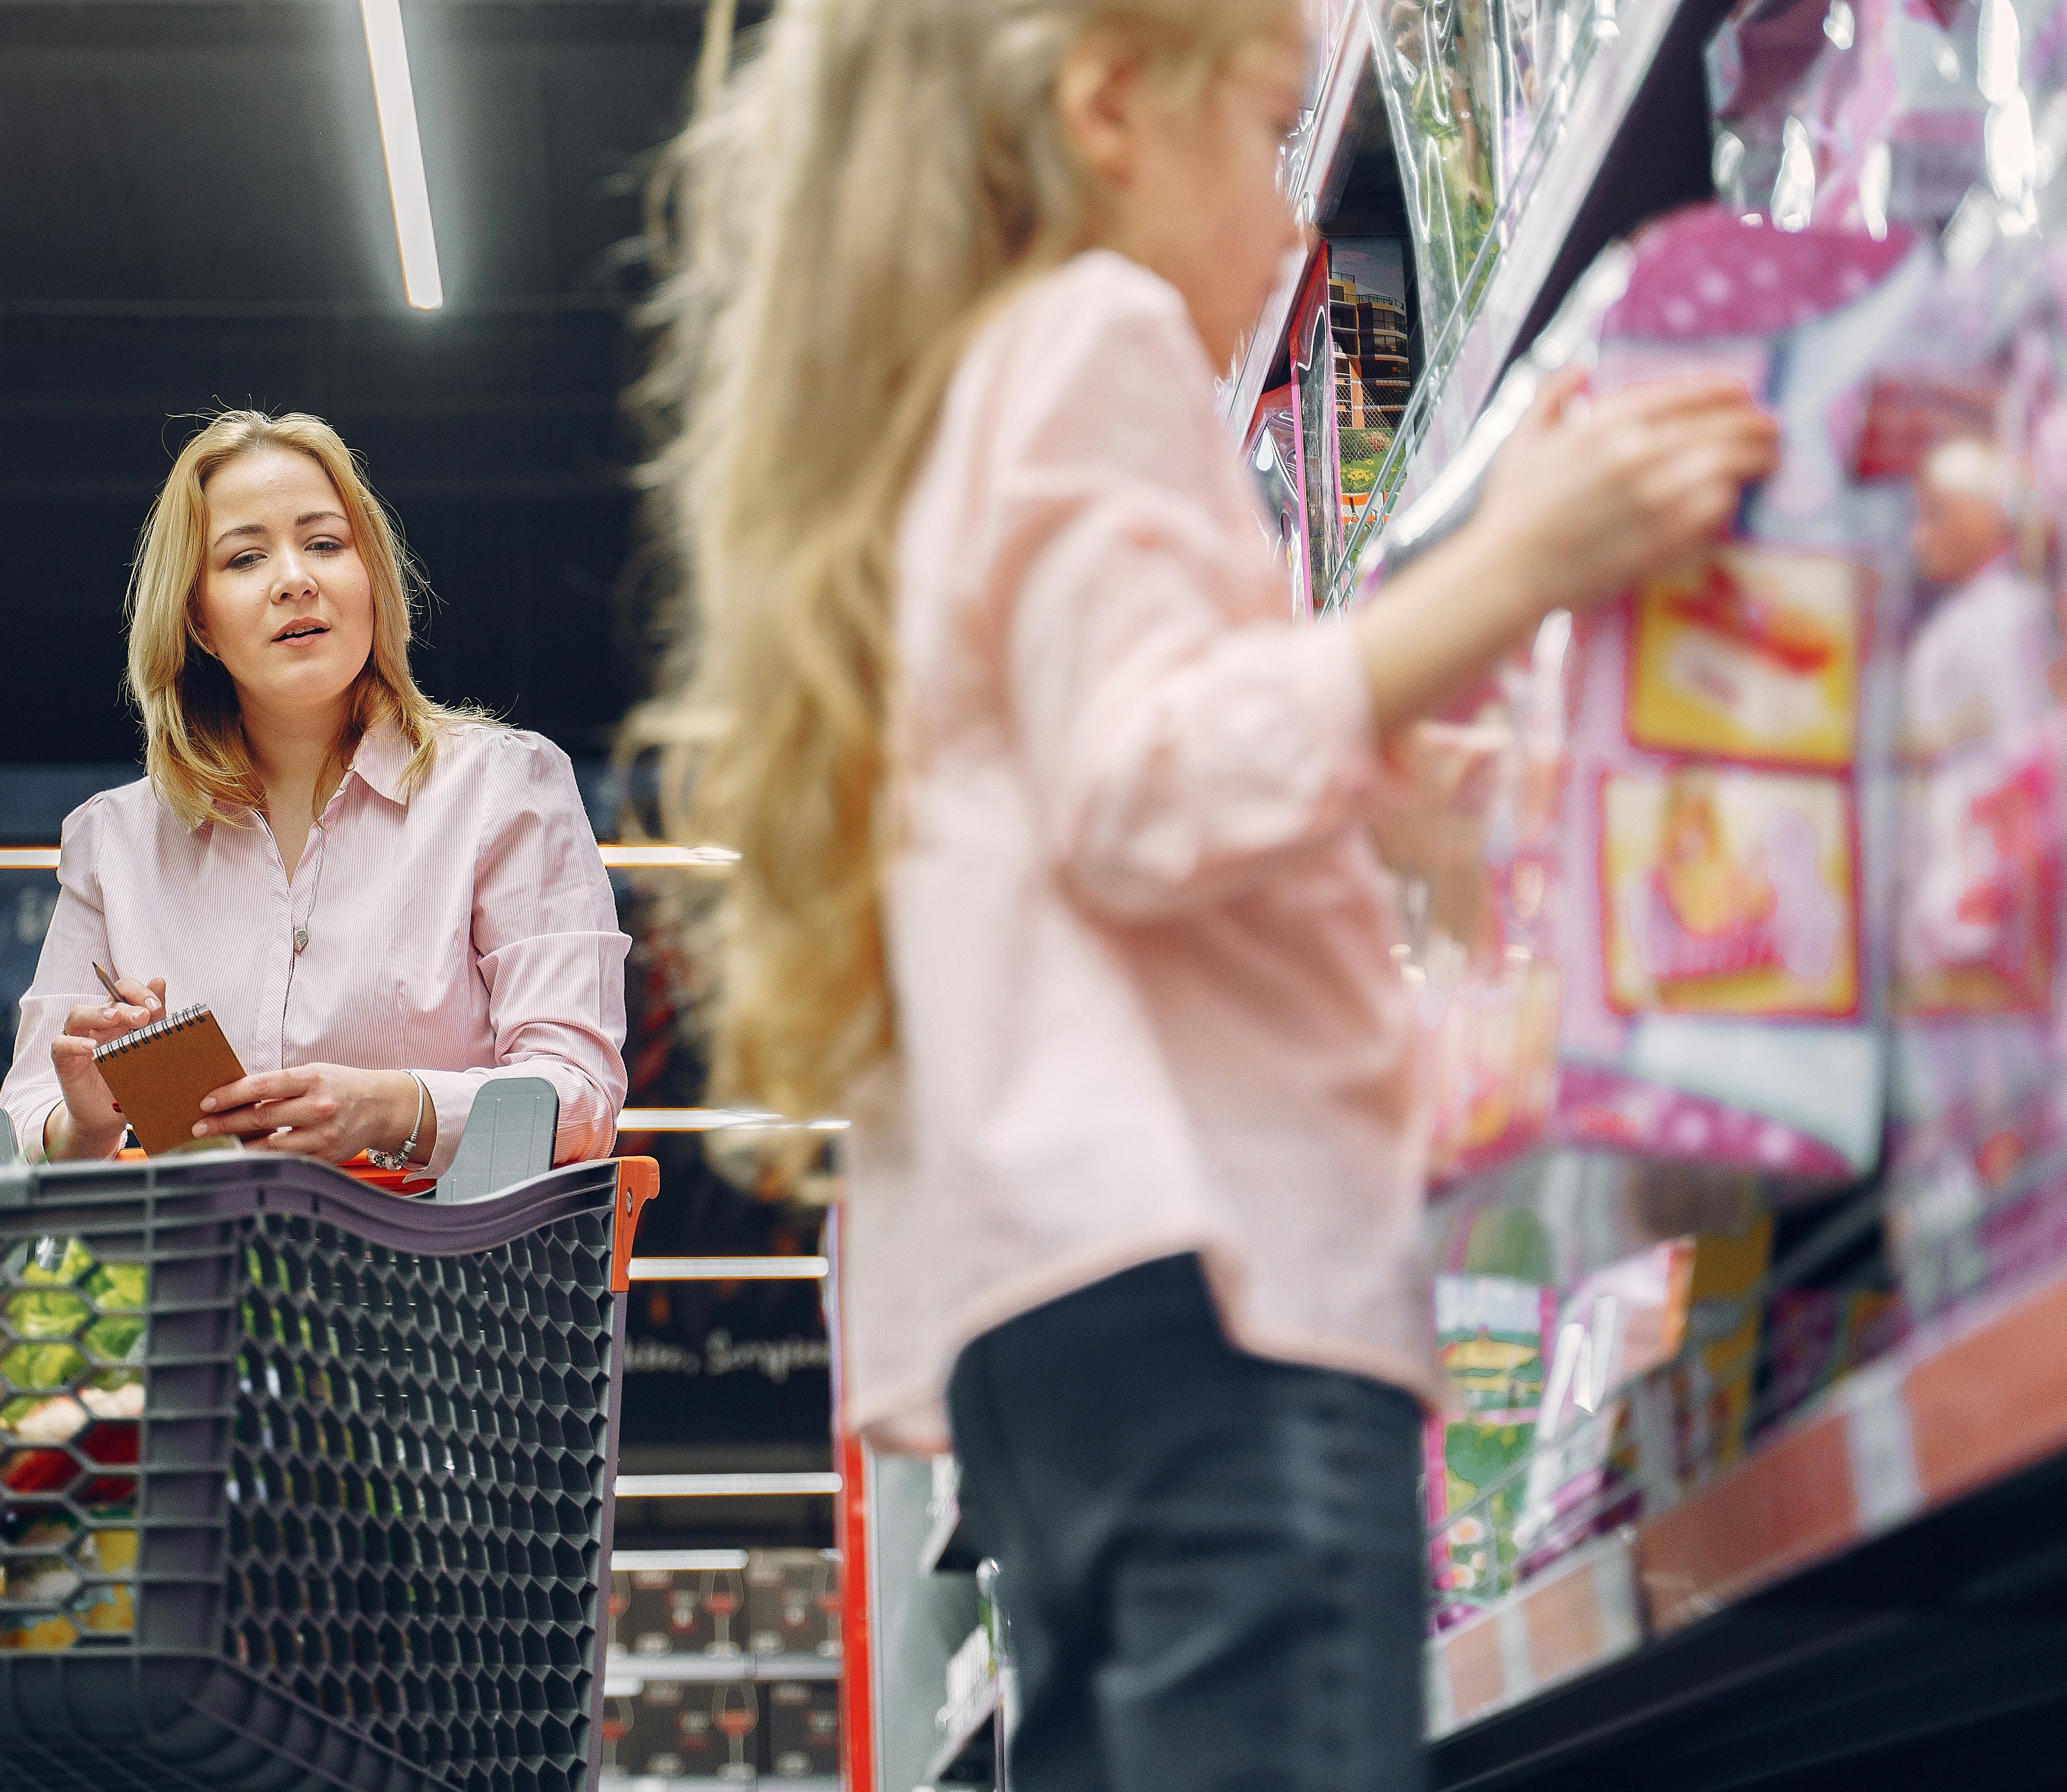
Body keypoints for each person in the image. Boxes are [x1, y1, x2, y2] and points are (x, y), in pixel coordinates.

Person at [633, 2, 1777, 1787]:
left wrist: (1393, 796)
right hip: (1215, 1289)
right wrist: (1502, 579)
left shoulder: (938, 432)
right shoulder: (1091, 336)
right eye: (1261, 131)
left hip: (1046, 1328)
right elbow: (1142, 786)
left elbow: (1084, 800)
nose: (1295, 220)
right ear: (1106, 109)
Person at [1, 410, 629, 1179]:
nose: (295, 578)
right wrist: (90, 1120)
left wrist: (392, 1107)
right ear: (197, 619)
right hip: (202, 1286)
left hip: (450, 1285)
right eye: (245, 559)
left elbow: (583, 1097)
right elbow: (22, 1125)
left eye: (326, 544)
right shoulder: (115, 844)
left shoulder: (505, 788)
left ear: (371, 581)